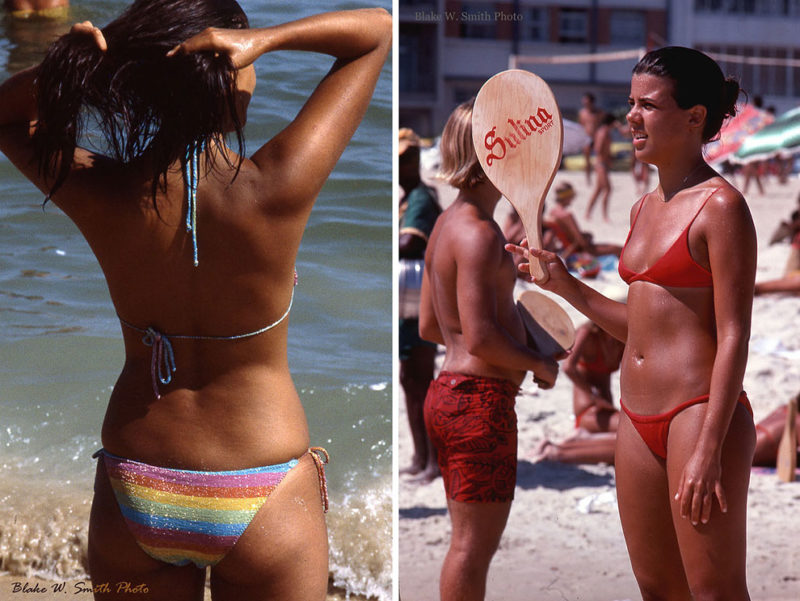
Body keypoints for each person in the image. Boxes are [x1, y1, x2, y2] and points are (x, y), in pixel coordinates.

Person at [0, 2, 390, 599]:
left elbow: (5, 120)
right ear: (233, 66)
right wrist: (269, 38)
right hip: (263, 485)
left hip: (137, 486)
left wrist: (67, 69)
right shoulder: (275, 186)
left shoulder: (105, 191)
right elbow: (375, 32)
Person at [509, 46, 757, 599]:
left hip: (699, 413)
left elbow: (735, 333)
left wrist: (710, 445)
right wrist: (564, 284)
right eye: (629, 104)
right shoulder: (642, 208)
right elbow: (640, 330)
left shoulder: (720, 207)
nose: (631, 118)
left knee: (714, 590)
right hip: (635, 416)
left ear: (695, 117)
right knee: (656, 588)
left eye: (647, 105)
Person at [419, 98, 558, 601]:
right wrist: (538, 360)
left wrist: (510, 318)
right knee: (473, 548)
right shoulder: (479, 234)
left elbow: (434, 327)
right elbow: (478, 339)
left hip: (448, 394)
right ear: (492, 158)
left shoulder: (446, 225)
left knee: (466, 544)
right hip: (479, 404)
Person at [398, 127, 441, 481]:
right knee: (410, 380)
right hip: (409, 300)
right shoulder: (408, 198)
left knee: (421, 381)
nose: (402, 165)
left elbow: (409, 243)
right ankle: (420, 455)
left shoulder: (421, 198)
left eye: (407, 158)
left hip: (420, 300)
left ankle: (433, 461)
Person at [546, 181, 622, 259]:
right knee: (620, 249)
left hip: (567, 247)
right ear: (568, 196)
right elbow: (581, 242)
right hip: (581, 250)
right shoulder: (567, 215)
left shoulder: (553, 212)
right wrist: (587, 237)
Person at [584, 112, 616, 221]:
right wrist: (606, 156)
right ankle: (605, 216)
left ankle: (588, 213)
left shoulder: (603, 130)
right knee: (608, 189)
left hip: (602, 163)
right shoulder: (604, 131)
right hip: (601, 164)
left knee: (598, 190)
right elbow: (598, 148)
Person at [578, 92, 601, 185]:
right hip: (586, 138)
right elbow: (581, 126)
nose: (584, 103)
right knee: (587, 160)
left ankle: (599, 179)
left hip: (596, 138)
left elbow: (601, 125)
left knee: (599, 159)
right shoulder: (582, 113)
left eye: (586, 101)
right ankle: (588, 179)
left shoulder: (598, 113)